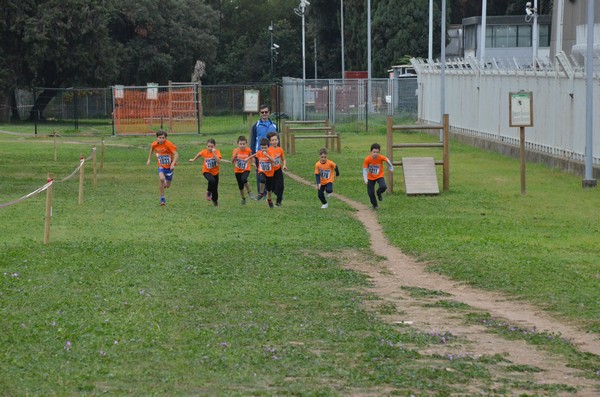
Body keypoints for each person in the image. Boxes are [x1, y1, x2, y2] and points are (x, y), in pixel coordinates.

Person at [146, 129, 179, 206]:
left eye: (163, 138)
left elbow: (176, 154)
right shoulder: (154, 144)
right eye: (160, 137)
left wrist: (173, 164)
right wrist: (149, 159)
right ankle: (162, 198)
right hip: (161, 166)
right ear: (157, 138)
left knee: (167, 185)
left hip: (169, 167)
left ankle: (165, 183)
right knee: (161, 178)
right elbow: (151, 150)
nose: (161, 139)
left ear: (165, 138)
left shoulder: (168, 144)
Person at [250, 104, 277, 195]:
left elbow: (277, 141)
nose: (264, 114)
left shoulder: (274, 125)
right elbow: (253, 141)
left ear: (269, 113)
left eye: (266, 112)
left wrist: (278, 153)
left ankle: (270, 191)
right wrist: (252, 155)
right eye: (262, 112)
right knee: (260, 174)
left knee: (271, 173)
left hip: (271, 154)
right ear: (260, 114)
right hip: (260, 154)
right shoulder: (256, 126)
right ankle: (261, 193)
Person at [189, 138, 222, 207]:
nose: (210, 148)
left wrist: (214, 153)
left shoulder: (217, 152)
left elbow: (218, 161)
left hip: (215, 172)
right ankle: (209, 192)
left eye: (211, 146)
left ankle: (215, 201)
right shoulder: (204, 152)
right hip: (206, 171)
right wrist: (193, 159)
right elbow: (199, 154)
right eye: (208, 146)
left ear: (214, 146)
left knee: (215, 187)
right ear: (206, 146)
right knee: (212, 181)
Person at [362, 143, 394, 210]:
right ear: (371, 152)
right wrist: (365, 180)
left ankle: (378, 193)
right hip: (370, 177)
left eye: (377, 152)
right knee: (370, 193)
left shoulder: (380, 157)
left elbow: (387, 160)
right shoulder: (367, 159)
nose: (375, 154)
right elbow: (364, 170)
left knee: (383, 186)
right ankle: (375, 205)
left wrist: (391, 167)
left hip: (379, 175)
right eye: (374, 152)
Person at [231, 135, 255, 204]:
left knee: (244, 179)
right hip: (237, 170)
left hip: (246, 169)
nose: (242, 145)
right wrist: (235, 155)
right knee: (240, 186)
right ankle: (243, 198)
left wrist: (253, 162)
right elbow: (232, 161)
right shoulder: (235, 151)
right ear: (238, 144)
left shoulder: (248, 150)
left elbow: (252, 157)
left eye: (244, 144)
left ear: (246, 144)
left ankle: (250, 192)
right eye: (240, 144)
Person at [255, 137, 276, 208]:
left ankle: (269, 200)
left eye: (265, 148)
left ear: (268, 146)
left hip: (270, 173)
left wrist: (267, 155)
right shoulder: (259, 153)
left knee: (269, 188)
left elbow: (273, 160)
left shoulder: (270, 152)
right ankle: (261, 193)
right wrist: (249, 159)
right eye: (262, 148)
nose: (264, 149)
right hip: (262, 170)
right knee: (262, 180)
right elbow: (254, 155)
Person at [267, 131, 287, 206]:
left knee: (281, 186)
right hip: (270, 171)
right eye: (273, 140)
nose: (275, 141)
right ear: (270, 141)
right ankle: (271, 196)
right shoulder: (268, 150)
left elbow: (283, 159)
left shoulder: (280, 149)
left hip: (278, 169)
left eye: (276, 140)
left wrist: (284, 165)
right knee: (272, 187)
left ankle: (278, 202)